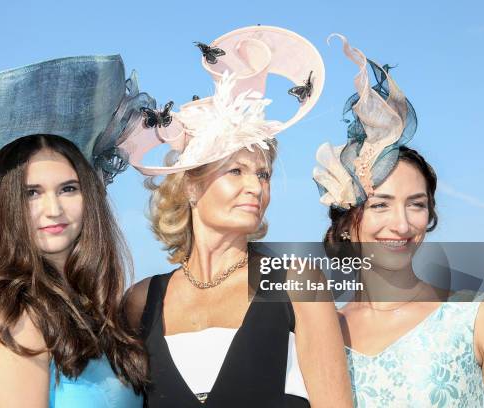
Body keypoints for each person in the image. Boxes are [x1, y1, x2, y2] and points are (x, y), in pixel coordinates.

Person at [0, 55, 155, 407]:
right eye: (31, 193)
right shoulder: (19, 318)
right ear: (6, 206)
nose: (53, 209)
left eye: (68, 188)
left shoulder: (85, 308)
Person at [122, 26, 352, 407]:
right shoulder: (140, 302)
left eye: (263, 174)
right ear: (190, 187)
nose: (256, 187)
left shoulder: (297, 284)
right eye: (236, 172)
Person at [312, 35, 484, 406]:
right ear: (348, 223)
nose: (401, 225)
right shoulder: (323, 333)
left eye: (416, 205)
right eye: (380, 205)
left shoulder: (477, 320)